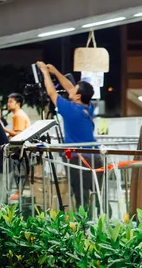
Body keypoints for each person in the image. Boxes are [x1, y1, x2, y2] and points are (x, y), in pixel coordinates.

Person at [36, 61, 99, 209]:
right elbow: (70, 88)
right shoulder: (88, 107)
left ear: (78, 96)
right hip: (95, 156)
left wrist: (45, 73)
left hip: (78, 159)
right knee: (97, 194)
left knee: (80, 195)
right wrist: (56, 72)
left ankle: (83, 224)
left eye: (74, 89)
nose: (70, 88)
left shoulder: (71, 110)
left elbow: (52, 93)